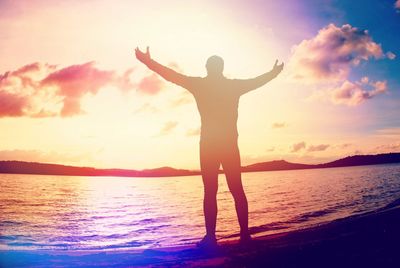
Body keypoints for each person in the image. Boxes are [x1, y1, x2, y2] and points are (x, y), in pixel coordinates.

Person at [135, 47, 284, 247]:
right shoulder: (231, 86)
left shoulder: (200, 85)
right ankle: (243, 235)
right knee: (235, 189)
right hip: (227, 144)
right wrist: (273, 73)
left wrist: (149, 62)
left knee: (212, 191)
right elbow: (256, 82)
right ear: (221, 69)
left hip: (210, 145)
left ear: (208, 68)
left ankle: (213, 238)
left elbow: (171, 75)